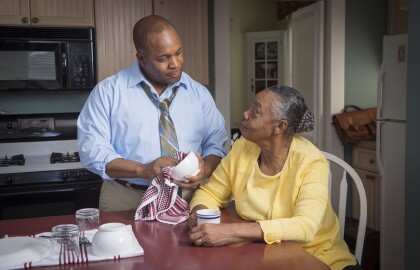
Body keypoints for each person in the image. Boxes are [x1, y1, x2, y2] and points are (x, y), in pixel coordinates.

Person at [188, 85, 360, 270]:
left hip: (318, 257)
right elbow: (210, 192)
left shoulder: (311, 162)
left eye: (255, 112)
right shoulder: (242, 148)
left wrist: (232, 232)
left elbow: (305, 227)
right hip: (267, 254)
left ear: (279, 126)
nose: (245, 113)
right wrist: (199, 214)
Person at [77, 15, 228, 212]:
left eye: (178, 53)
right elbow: (93, 153)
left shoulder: (198, 93)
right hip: (128, 198)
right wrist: (144, 169)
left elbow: (216, 144)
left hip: (191, 197)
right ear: (141, 58)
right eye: (163, 58)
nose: (175, 63)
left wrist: (204, 170)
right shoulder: (108, 93)